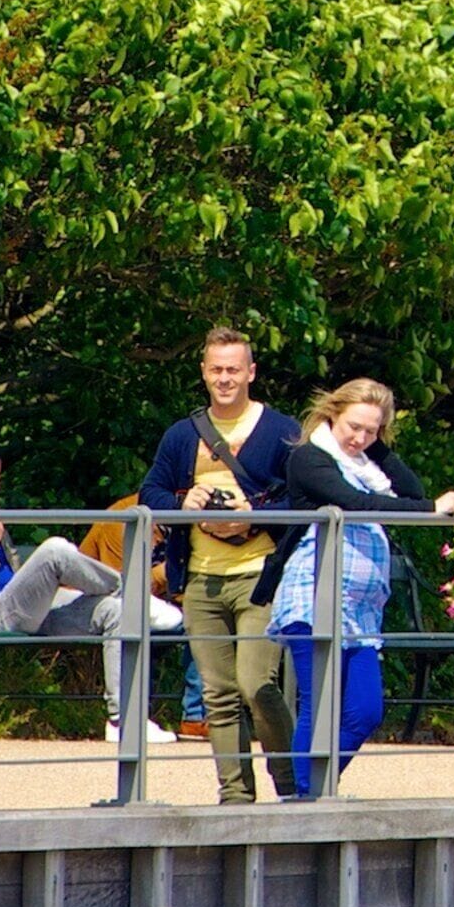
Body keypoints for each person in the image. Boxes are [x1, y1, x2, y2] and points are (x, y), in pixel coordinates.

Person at [266, 380, 454, 800]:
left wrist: (377, 450)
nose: (359, 438)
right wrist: (434, 509)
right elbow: (356, 505)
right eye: (353, 427)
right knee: (320, 701)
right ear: (331, 416)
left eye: (371, 431)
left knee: (364, 711)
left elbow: (411, 491)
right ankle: (307, 795)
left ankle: (315, 787)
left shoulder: (368, 464)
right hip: (314, 594)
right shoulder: (309, 458)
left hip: (360, 609)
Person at [140, 327, 304, 803]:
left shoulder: (282, 431)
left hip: (260, 576)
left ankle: (292, 784)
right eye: (216, 370)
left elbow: (302, 496)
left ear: (251, 372)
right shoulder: (181, 435)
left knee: (258, 684)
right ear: (204, 373)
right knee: (218, 695)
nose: (225, 379)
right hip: (202, 580)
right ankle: (235, 797)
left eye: (234, 369)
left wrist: (253, 516)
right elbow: (149, 492)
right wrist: (182, 498)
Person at [0, 445, 186, 743]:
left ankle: (123, 720)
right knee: (55, 550)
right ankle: (130, 589)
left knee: (116, 610)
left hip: (30, 609)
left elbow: (16, 576)